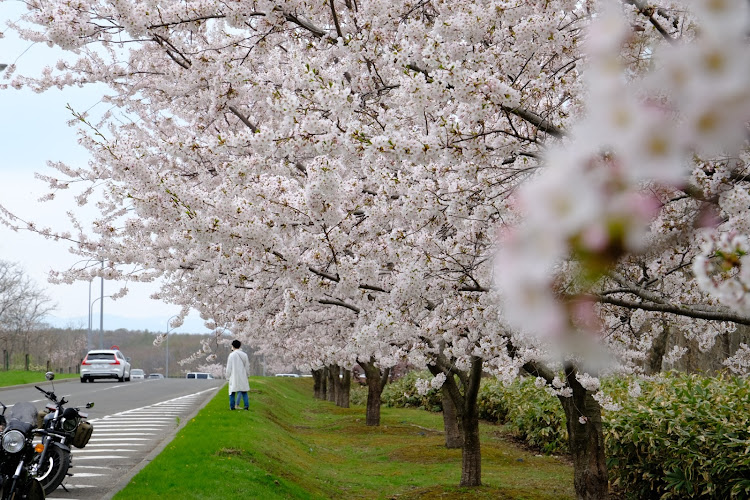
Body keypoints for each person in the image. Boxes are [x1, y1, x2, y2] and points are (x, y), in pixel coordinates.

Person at [225, 339, 250, 410]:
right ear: (239, 346)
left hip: (233, 376)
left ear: (232, 346)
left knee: (232, 391)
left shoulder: (231, 355)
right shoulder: (245, 355)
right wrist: (247, 375)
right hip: (243, 375)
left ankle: (232, 407)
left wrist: (227, 376)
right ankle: (246, 406)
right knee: (244, 391)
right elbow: (247, 366)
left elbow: (229, 367)